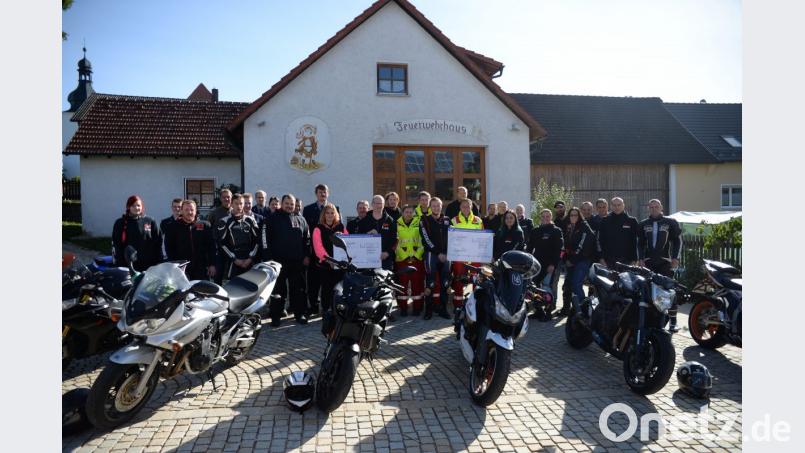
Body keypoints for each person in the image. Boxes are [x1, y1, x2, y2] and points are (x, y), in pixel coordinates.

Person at [263, 194, 311, 326]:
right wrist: (268, 258)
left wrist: (307, 255)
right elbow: (265, 239)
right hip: (277, 262)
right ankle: (276, 316)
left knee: (299, 290)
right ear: (282, 204)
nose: (290, 206)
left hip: (297, 262)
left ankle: (299, 314)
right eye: (287, 203)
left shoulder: (301, 219)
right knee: (278, 291)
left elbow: (307, 239)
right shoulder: (272, 218)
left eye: (292, 204)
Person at [638, 199, 682, 332]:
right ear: (648, 209)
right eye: (651, 207)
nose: (654, 208)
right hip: (648, 262)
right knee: (649, 291)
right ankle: (653, 319)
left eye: (656, 206)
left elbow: (678, 241)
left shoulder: (671, 222)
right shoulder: (643, 224)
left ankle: (673, 321)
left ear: (661, 207)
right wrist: (640, 259)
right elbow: (639, 243)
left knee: (669, 291)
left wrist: (675, 258)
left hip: (665, 262)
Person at [303, 184, 340, 316]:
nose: (322, 194)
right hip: (315, 252)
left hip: (333, 255)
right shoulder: (307, 210)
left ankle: (329, 306)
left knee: (329, 283)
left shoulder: (335, 209)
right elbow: (305, 232)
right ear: (316, 194)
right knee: (313, 282)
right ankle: (313, 306)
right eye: (320, 192)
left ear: (328, 193)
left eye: (325, 192)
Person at [165, 200, 216, 280]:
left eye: (192, 210)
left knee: (202, 291)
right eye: (186, 210)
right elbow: (169, 248)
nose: (189, 212)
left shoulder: (205, 225)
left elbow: (211, 246)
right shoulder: (172, 227)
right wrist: (174, 266)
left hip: (201, 268)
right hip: (181, 269)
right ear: (181, 211)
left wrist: (212, 264)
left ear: (196, 211)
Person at [311, 203, 348, 314]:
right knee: (326, 289)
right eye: (327, 213)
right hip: (325, 265)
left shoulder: (341, 227)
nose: (330, 215)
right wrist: (330, 261)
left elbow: (349, 242)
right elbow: (318, 248)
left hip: (339, 265)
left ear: (335, 214)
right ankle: (326, 311)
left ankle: (337, 310)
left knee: (339, 289)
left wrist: (342, 236)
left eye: (332, 213)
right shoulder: (318, 228)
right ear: (324, 214)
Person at [526, 209, 563, 316]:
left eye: (548, 216)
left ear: (551, 217)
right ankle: (538, 310)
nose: (545, 218)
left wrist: (553, 264)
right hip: (537, 264)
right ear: (540, 217)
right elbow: (529, 247)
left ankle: (548, 310)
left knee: (547, 287)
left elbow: (559, 249)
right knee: (535, 286)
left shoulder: (556, 230)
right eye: (543, 216)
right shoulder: (535, 231)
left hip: (550, 264)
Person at [215, 194, 261, 281]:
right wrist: (234, 259)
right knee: (232, 290)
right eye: (236, 203)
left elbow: (257, 241)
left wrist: (250, 258)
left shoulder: (250, 220)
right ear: (231, 204)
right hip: (233, 261)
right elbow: (222, 243)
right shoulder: (224, 221)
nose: (239, 206)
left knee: (250, 288)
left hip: (249, 260)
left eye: (241, 203)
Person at [112, 195, 164, 272]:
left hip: (149, 266)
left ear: (142, 206)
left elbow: (158, 242)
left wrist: (159, 262)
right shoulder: (120, 223)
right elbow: (117, 245)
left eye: (138, 205)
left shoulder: (150, 221)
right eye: (133, 205)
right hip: (128, 266)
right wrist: (120, 264)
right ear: (128, 207)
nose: (136, 208)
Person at [420, 197, 452, 319]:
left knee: (445, 282)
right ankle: (428, 310)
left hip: (446, 255)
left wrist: (447, 252)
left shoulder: (448, 220)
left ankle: (443, 309)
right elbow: (425, 239)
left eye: (438, 205)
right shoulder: (424, 220)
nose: (436, 208)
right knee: (431, 283)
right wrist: (438, 253)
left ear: (441, 206)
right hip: (431, 254)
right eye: (433, 206)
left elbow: (454, 237)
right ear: (430, 207)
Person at [450, 199, 484, 310]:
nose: (465, 208)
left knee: (476, 279)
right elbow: (451, 239)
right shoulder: (454, 220)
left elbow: (483, 238)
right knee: (459, 279)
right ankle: (458, 305)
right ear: (460, 207)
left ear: (471, 207)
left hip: (474, 255)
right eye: (463, 206)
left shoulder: (478, 221)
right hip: (459, 256)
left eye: (468, 206)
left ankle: (476, 303)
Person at [395, 205, 425, 316]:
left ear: (414, 213)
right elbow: (396, 243)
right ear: (402, 213)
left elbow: (422, 241)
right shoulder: (396, 224)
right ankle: (403, 308)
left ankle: (417, 307)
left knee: (417, 284)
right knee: (402, 285)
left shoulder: (419, 224)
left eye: (410, 212)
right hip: (402, 260)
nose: (408, 214)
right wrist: (405, 256)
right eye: (406, 212)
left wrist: (416, 255)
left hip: (417, 259)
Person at [563, 207, 596, 307]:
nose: (573, 217)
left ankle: (583, 308)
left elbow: (582, 245)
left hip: (582, 260)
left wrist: (572, 260)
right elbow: (564, 246)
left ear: (579, 216)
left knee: (577, 284)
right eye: (571, 215)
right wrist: (566, 259)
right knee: (569, 286)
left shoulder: (584, 226)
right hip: (570, 261)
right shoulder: (568, 227)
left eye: (575, 215)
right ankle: (574, 309)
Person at [358, 195, 397, 271]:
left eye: (381, 203)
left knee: (385, 282)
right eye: (376, 203)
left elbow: (395, 239)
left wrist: (388, 253)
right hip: (367, 260)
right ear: (372, 204)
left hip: (385, 259)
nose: (378, 205)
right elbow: (358, 239)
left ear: (384, 204)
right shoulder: (364, 221)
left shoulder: (390, 220)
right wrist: (367, 234)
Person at [598, 197, 640, 268]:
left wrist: (635, 260)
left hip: (628, 261)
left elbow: (635, 242)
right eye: (614, 205)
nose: (616, 207)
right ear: (611, 206)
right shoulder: (604, 221)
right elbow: (600, 240)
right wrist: (601, 259)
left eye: (619, 205)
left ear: (623, 205)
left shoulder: (632, 221)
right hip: (608, 261)